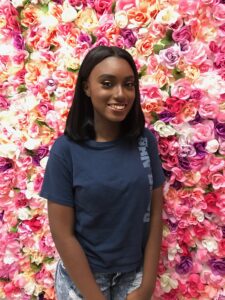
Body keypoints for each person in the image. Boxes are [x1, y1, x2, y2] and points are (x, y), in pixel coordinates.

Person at [40, 45, 165, 300]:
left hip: (134, 275)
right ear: (86, 87)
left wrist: (147, 284)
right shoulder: (65, 151)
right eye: (107, 83)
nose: (121, 94)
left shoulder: (144, 142)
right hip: (82, 278)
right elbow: (62, 234)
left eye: (128, 84)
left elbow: (154, 215)